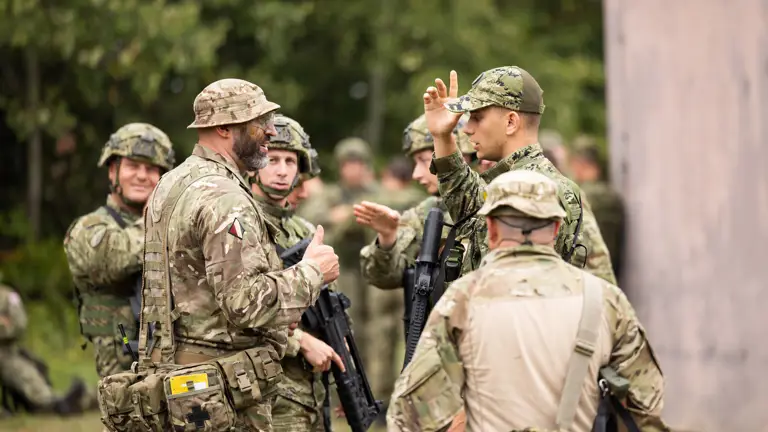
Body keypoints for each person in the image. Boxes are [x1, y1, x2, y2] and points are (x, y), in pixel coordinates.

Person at [387, 170, 668, 432]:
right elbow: (646, 404)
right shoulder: (604, 299)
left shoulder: (461, 300)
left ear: (492, 229)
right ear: (557, 228)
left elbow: (408, 414)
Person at [139, 78, 339, 430]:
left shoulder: (170, 183)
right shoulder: (224, 196)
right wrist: (313, 272)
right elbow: (244, 303)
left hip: (174, 379)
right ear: (224, 127)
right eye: (260, 122)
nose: (270, 131)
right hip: (220, 389)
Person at [421, 67, 617, 284]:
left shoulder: (534, 189)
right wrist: (441, 136)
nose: (467, 128)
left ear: (511, 122)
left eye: (477, 117)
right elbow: (467, 203)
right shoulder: (520, 180)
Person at [249, 114, 344, 431]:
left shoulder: (301, 229)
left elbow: (328, 309)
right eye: (272, 158)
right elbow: (239, 306)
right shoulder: (242, 222)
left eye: (291, 161)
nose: (282, 169)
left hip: (309, 390)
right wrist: (299, 341)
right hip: (264, 389)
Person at [64, 122, 175, 378]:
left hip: (171, 357)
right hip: (122, 372)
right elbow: (112, 260)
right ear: (113, 171)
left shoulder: (172, 224)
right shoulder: (89, 228)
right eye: (133, 166)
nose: (141, 176)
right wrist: (159, 220)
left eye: (151, 169)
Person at [0, 283, 92, 416]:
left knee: (25, 369)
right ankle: (51, 402)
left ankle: (56, 401)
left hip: (7, 352)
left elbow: (19, 324)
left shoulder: (6, 296)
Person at [569, 137, 626, 283]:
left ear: (579, 164)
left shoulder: (580, 198)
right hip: (611, 278)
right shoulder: (611, 196)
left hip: (587, 280)